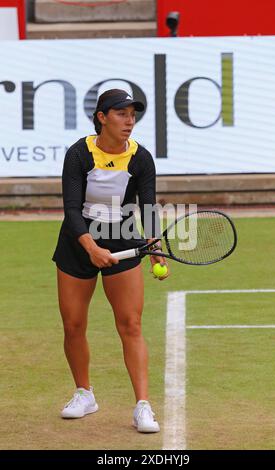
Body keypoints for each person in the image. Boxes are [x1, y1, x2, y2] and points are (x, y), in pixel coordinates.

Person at [52, 88, 169, 433]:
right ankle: (84, 394)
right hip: (78, 239)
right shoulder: (79, 154)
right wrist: (90, 247)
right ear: (102, 117)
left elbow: (147, 207)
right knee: (73, 325)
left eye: (132, 114)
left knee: (130, 324)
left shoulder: (141, 158)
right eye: (121, 114)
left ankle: (143, 407)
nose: (129, 121)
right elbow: (71, 209)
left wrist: (155, 249)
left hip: (122, 235)